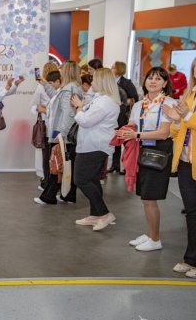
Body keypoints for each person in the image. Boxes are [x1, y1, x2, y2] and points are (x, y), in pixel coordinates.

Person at [115, 67, 175, 251]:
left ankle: (155, 239)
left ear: (165, 83)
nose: (153, 81)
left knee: (150, 198)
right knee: (145, 198)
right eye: (150, 78)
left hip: (159, 151)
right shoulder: (140, 104)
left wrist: (137, 135)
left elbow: (164, 133)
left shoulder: (169, 103)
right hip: (142, 150)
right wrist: (126, 131)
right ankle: (149, 234)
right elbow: (133, 124)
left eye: (158, 79)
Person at [71, 68, 120, 230]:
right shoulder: (101, 99)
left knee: (81, 179)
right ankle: (95, 214)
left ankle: (104, 213)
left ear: (102, 82)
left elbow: (85, 121)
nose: (92, 83)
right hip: (92, 144)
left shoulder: (105, 102)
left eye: (94, 80)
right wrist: (81, 107)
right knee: (91, 179)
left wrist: (79, 108)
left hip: (94, 146)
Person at [164, 57, 196, 277]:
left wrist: (186, 116)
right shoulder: (190, 95)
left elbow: (191, 120)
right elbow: (179, 132)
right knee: (191, 212)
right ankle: (191, 258)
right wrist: (176, 121)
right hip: (186, 162)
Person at [35, 60, 83, 204]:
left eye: (62, 69)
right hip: (65, 133)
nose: (60, 71)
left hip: (63, 134)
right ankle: (68, 195)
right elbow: (56, 97)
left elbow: (68, 114)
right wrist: (45, 84)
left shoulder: (69, 90)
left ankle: (48, 196)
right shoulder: (70, 88)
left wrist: (61, 133)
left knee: (57, 164)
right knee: (66, 164)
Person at [31, 62, 59, 190]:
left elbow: (34, 105)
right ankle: (55, 182)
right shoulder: (60, 87)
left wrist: (43, 109)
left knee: (47, 154)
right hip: (57, 124)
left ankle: (46, 181)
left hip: (47, 124)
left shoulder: (41, 87)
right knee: (56, 153)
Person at [109, 61, 139, 174]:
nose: (111, 69)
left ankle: (127, 166)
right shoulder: (111, 82)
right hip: (114, 116)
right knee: (116, 141)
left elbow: (135, 98)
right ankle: (115, 165)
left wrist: (126, 101)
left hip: (124, 117)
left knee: (126, 142)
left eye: (113, 67)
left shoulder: (127, 83)